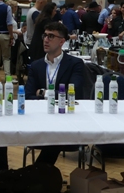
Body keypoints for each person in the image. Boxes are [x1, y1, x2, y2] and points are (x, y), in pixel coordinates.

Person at [25, 22, 87, 164]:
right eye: (45, 35)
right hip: (40, 119)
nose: (46, 40)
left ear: (61, 41)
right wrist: (57, 96)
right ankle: (38, 172)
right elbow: (28, 96)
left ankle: (37, 172)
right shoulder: (36, 66)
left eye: (51, 36)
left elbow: (73, 93)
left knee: (57, 133)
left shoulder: (75, 64)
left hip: (66, 119)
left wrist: (43, 93)